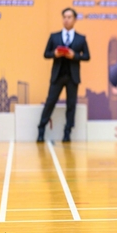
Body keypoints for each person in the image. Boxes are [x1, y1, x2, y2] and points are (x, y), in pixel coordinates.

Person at [37, 8, 90, 143]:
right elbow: (46, 54)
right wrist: (54, 54)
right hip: (58, 75)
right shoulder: (54, 36)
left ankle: (67, 132)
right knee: (50, 102)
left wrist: (74, 56)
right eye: (64, 17)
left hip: (72, 77)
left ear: (75, 19)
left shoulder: (81, 38)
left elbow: (87, 56)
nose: (66, 20)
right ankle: (41, 129)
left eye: (69, 17)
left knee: (71, 105)